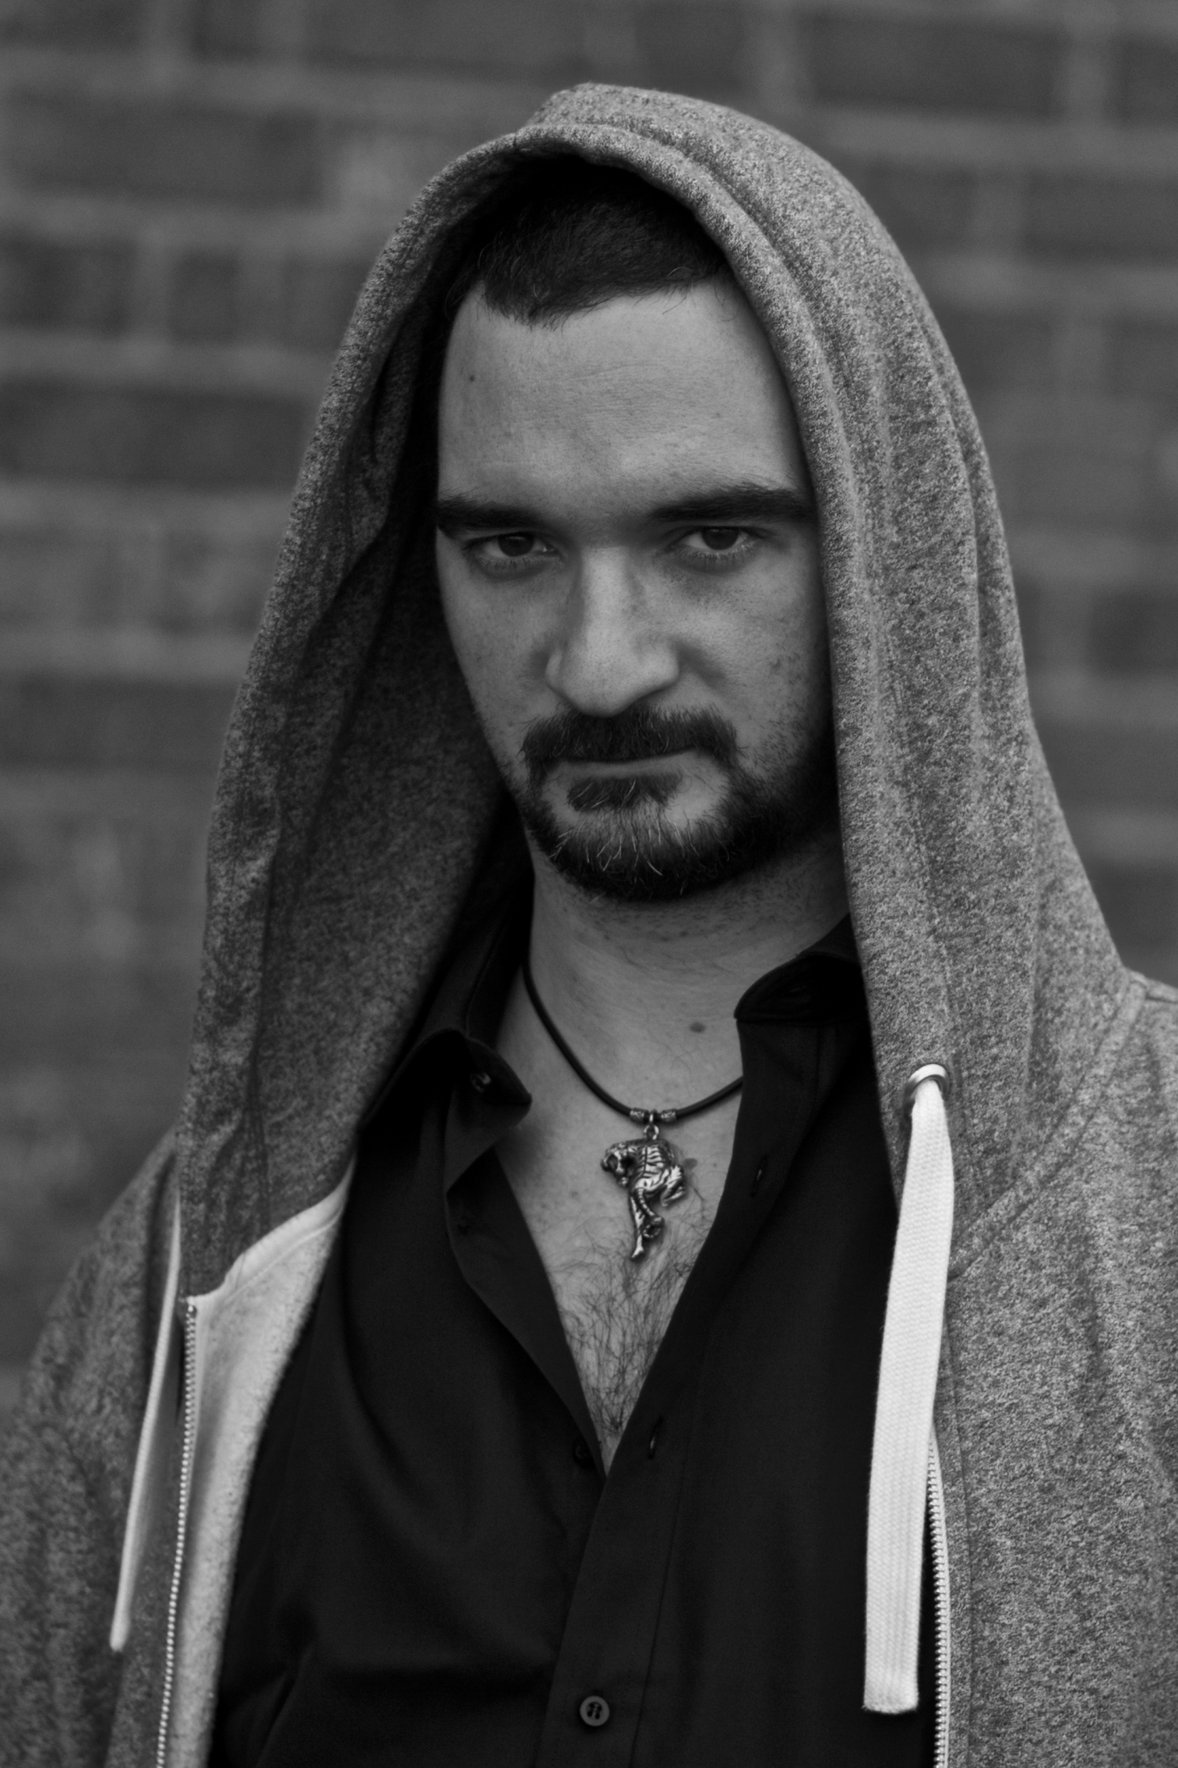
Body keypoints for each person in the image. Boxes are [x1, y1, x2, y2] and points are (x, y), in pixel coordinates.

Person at [1, 82, 1175, 1768]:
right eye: (510, 545)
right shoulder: (209, 1255)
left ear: (883, 559)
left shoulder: (1146, 1221)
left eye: (709, 537)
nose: (599, 660)